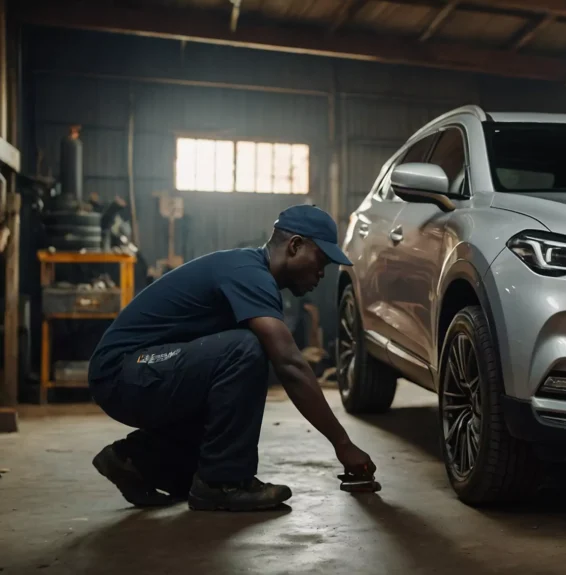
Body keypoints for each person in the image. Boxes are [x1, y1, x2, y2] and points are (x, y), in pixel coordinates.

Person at [87, 204, 375, 512]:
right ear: (295, 246)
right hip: (123, 371)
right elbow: (290, 364)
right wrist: (342, 444)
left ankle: (135, 460)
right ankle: (225, 482)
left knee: (206, 441)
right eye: (321, 260)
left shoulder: (250, 272)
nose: (321, 273)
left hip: (142, 372)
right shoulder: (250, 274)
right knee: (246, 350)